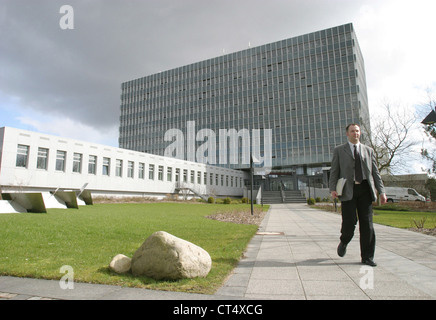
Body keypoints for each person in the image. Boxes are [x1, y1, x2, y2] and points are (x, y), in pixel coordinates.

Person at [329, 123, 387, 267]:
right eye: (352, 131)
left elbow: (375, 173)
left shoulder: (368, 150)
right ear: (347, 134)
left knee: (367, 224)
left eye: (357, 131)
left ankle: (367, 257)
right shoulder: (339, 150)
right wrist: (332, 189)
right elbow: (334, 171)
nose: (355, 133)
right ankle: (344, 240)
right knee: (349, 222)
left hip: (365, 190)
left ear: (360, 133)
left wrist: (382, 191)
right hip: (348, 190)